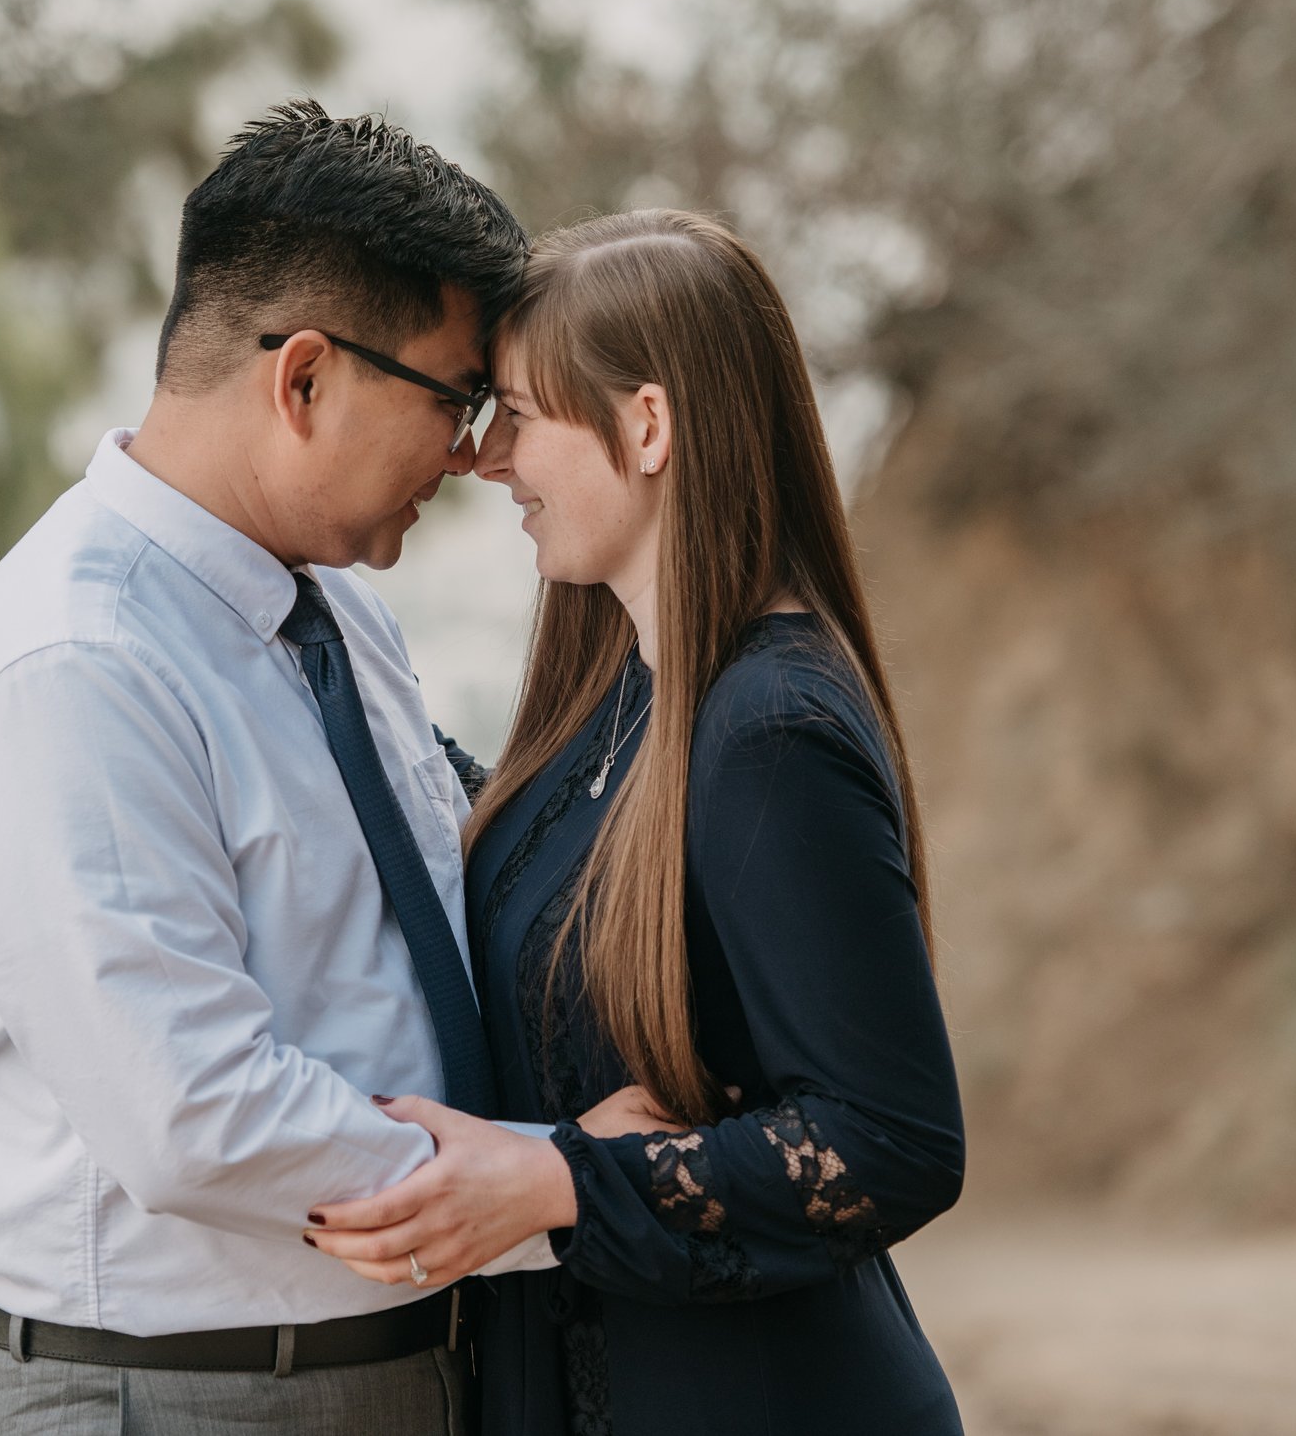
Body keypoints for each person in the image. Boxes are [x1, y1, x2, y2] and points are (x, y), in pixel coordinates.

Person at [0, 101, 575, 1436]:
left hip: (390, 1363)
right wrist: (552, 1184)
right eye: (456, 395)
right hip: (182, 1394)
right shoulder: (76, 663)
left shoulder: (331, 612)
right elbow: (190, 1109)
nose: (472, 452)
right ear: (304, 375)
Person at [306, 209, 967, 1434]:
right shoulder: (617, 703)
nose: (486, 457)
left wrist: (558, 1175)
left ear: (648, 425)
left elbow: (890, 1140)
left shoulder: (768, 732)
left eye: (519, 412)